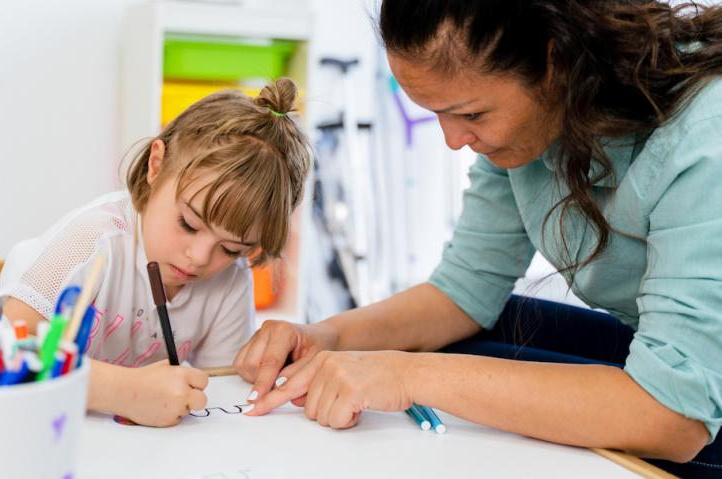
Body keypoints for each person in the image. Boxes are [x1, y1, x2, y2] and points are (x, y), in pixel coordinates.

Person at [235, 1, 722, 476]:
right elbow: (464, 292)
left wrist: (404, 376)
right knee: (470, 336)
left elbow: (675, 417)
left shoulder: (706, 132)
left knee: (436, 370)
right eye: (437, 114)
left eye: (471, 115)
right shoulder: (538, 119)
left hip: (690, 410)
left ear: (557, 60)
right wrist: (329, 337)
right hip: (666, 350)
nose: (452, 140)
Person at [0, 77, 311, 427]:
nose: (199, 257)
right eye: (188, 224)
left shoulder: (229, 280)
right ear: (156, 165)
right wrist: (121, 391)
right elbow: (8, 353)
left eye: (231, 248)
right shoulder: (90, 241)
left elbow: (224, 392)